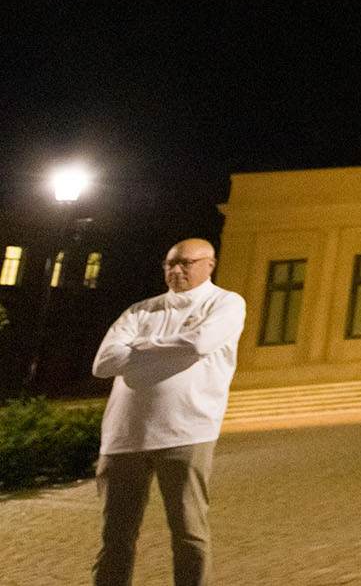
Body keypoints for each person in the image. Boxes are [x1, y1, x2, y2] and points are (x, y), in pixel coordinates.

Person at [91, 237, 246, 586]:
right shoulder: (140, 310)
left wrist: (137, 349)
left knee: (189, 534)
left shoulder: (225, 303)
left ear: (210, 264)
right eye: (170, 264)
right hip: (123, 436)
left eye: (185, 263)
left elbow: (200, 342)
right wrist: (170, 350)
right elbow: (102, 364)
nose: (176, 270)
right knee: (115, 537)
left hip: (186, 431)